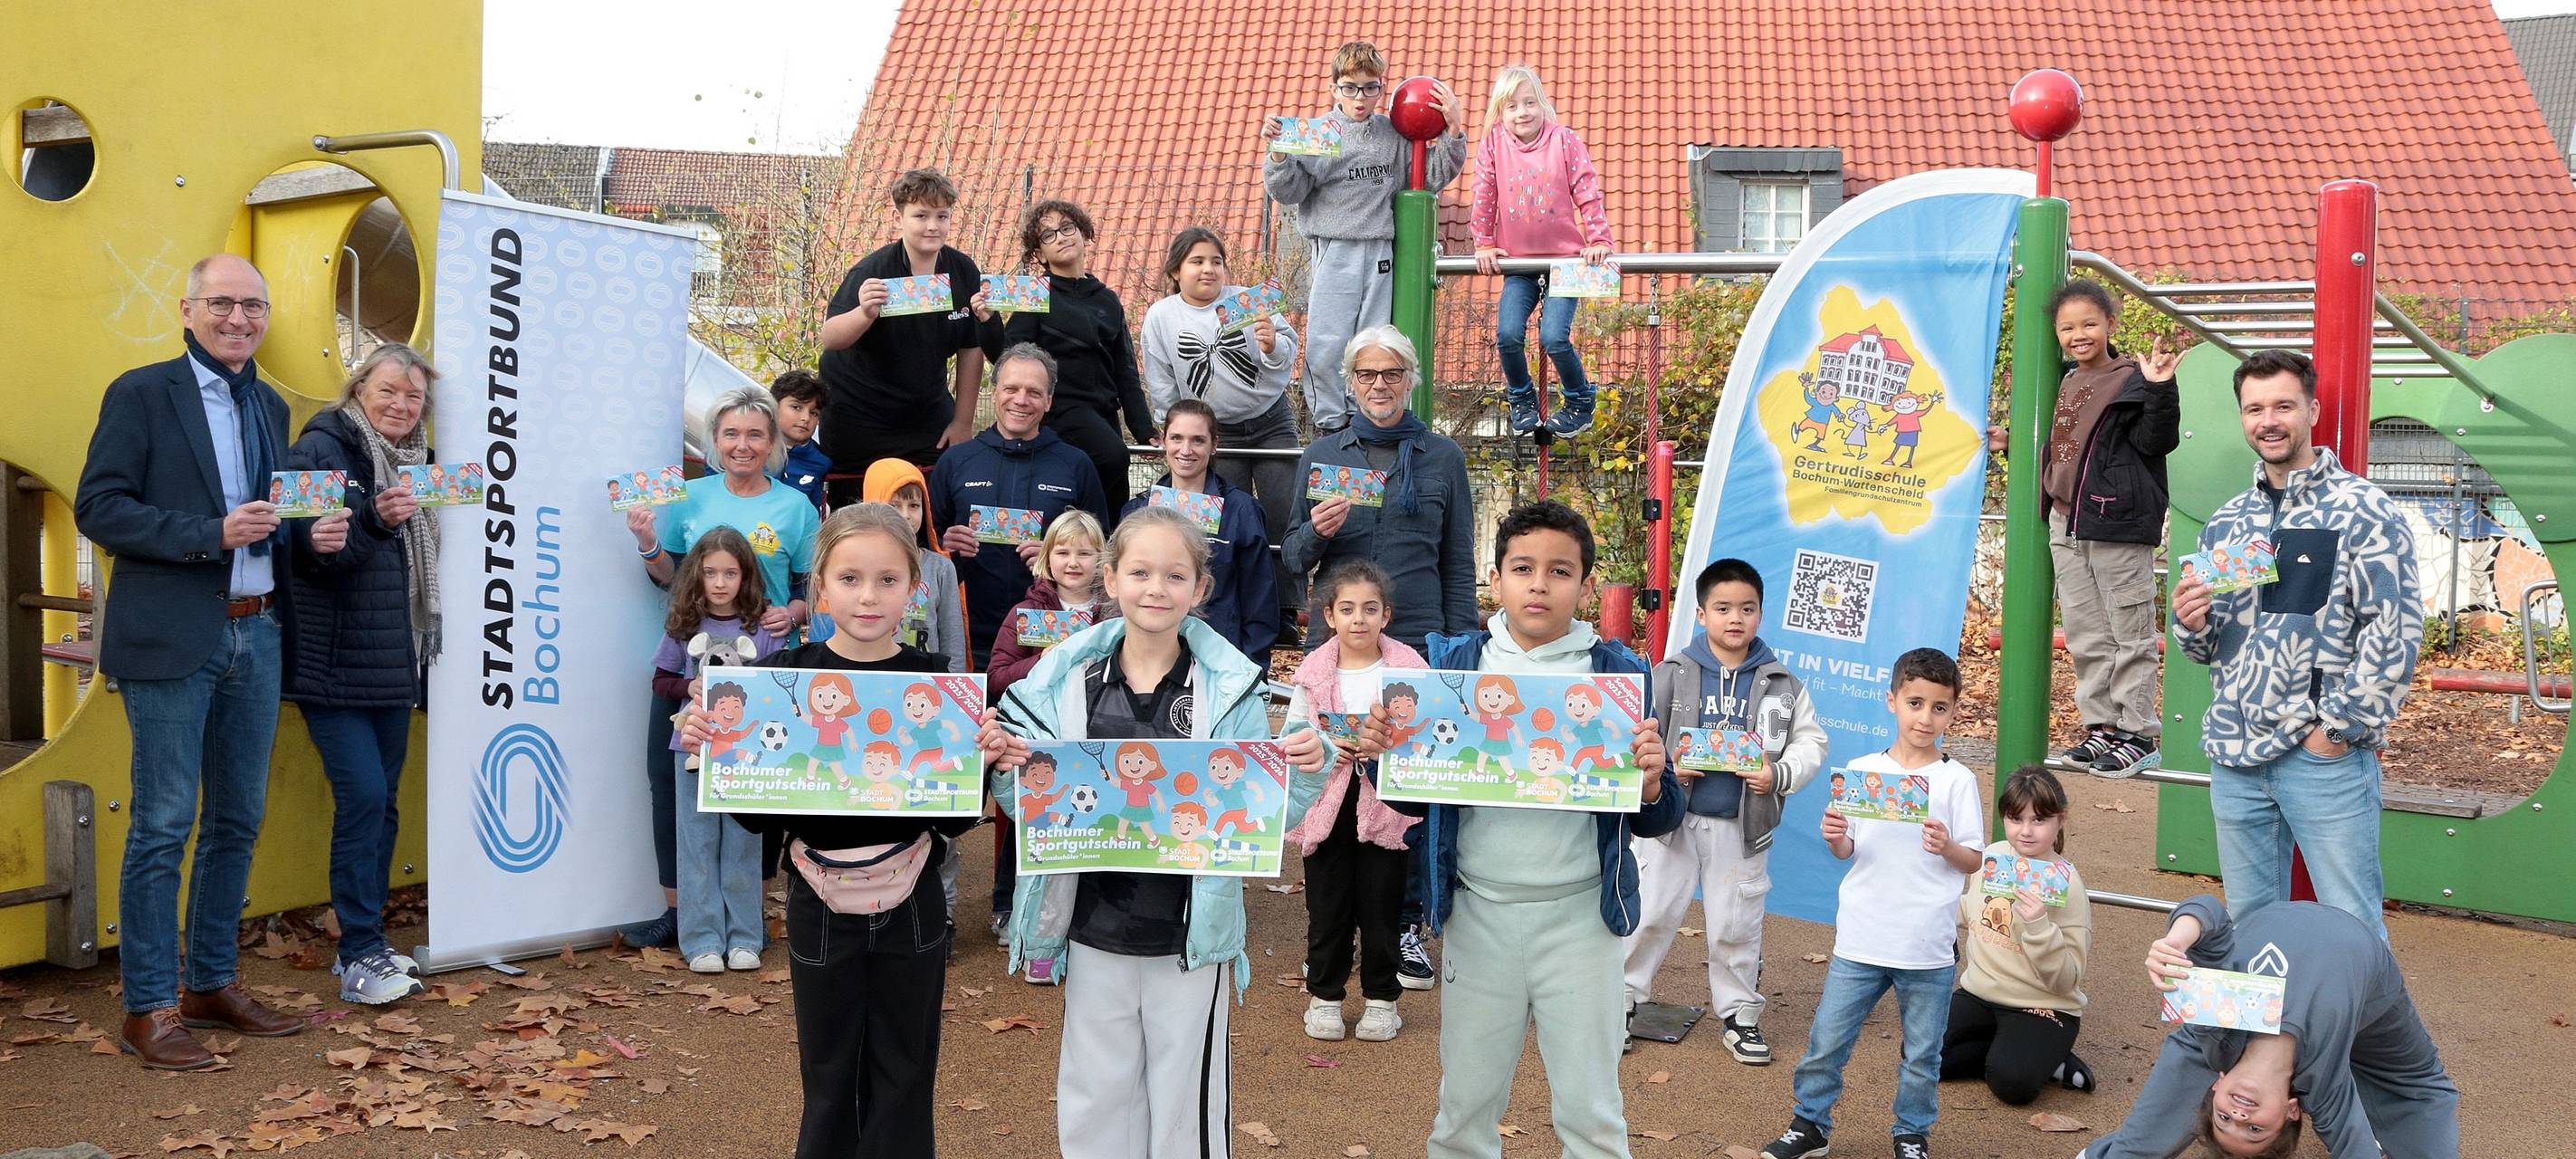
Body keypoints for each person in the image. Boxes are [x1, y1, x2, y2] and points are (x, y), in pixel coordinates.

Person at [979, 505, 1334, 1159]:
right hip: (1090, 924)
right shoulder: (1062, 684)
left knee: (1183, 1100)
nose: (1155, 588)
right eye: (1139, 572)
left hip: (1188, 934)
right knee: (1093, 1090)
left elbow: (1259, 817)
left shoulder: (1230, 692)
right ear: (1110, 578)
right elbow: (1032, 805)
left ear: (1200, 589)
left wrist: (1306, 774)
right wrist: (1005, 768)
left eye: (1175, 575)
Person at [74, 254, 351, 1068]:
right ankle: (150, 1007)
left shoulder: (266, 400)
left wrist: (317, 533)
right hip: (174, 637)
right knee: (162, 825)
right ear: (189, 311)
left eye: (254, 306)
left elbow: (276, 517)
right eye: (223, 304)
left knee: (238, 820)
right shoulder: (141, 393)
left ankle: (212, 983)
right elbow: (100, 508)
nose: (240, 319)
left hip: (257, 633)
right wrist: (209, 535)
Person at [1359, 500, 1680, 1159]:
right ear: (1495, 579)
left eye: (1560, 571)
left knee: (1591, 1113)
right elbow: (1419, 799)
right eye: (1523, 568)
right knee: (1464, 1108)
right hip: (1480, 915)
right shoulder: (1457, 664)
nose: (1539, 584)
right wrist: (1380, 758)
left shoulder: (1618, 675)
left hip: (1582, 921)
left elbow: (1659, 813)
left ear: (1586, 585)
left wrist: (1650, 782)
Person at [675, 505, 976, 1157]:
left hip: (914, 904)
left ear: (914, 588)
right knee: (828, 1072)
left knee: (905, 1073)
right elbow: (758, 817)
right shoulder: (780, 677)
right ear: (820, 586)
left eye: (887, 580)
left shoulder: (938, 682)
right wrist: (719, 748)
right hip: (817, 902)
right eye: (849, 578)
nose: (868, 596)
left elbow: (956, 819)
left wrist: (977, 755)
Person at [2171, 349, 2420, 939]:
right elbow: (2206, 647)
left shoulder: (2364, 511)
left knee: (2351, 924)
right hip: (2236, 755)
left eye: (2282, 404)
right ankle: (2269, 1036)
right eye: (2254, 408)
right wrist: (2191, 622)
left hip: (2319, 757)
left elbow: (2396, 631)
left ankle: (2358, 1037)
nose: (2268, 419)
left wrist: (2335, 730)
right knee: (2249, 924)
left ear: (2309, 409)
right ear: (2241, 419)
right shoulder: (2227, 522)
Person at [1282, 324, 1478, 991]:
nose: (1379, 385)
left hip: (1418, 648)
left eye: (1391, 373)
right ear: (1350, 381)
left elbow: (1457, 561)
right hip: (1337, 653)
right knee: (1332, 788)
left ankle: (1403, 927)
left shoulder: (1442, 457)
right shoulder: (1322, 454)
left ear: (1410, 379)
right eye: (1366, 374)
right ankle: (1328, 936)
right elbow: (1291, 558)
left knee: (1409, 798)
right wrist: (1315, 530)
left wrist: (1455, 655)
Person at [1763, 648, 1985, 1159]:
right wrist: (1835, 835)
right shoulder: (1862, 772)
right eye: (1915, 703)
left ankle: (1911, 1135)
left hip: (1927, 946)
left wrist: (1946, 845)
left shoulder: (1957, 780)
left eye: (1939, 707)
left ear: (1953, 711)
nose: (1926, 717)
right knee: (1827, 1042)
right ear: (1892, 702)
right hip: (1861, 938)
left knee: (1923, 1055)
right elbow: (1848, 851)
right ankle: (1809, 1124)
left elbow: (1972, 859)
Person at [622, 385, 820, 946]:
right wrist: (644, 541)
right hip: (691, 662)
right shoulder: (687, 496)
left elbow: (810, 585)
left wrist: (794, 612)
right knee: (671, 782)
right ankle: (680, 913)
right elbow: (670, 576)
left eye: (755, 434)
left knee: (757, 790)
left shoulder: (795, 506)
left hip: (766, 667)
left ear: (773, 442)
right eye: (731, 433)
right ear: (714, 441)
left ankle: (747, 913)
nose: (743, 444)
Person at [279, 343, 446, 1007]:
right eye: (388, 392)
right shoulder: (321, 448)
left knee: (384, 804)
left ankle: (368, 942)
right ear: (357, 390)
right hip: (333, 661)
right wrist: (373, 520)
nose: (400, 406)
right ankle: (357, 952)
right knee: (365, 799)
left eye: (412, 396)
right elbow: (305, 554)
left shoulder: (419, 461)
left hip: (392, 661)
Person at [1623, 557, 1825, 1065]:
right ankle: (1618, 1002)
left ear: (1760, 614)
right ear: (1700, 613)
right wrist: (1665, 768)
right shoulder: (1669, 674)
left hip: (1741, 823)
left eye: (1747, 608)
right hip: (1668, 820)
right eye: (1722, 608)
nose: (1735, 618)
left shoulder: (1782, 683)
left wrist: (1777, 774)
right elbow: (1633, 737)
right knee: (1648, 913)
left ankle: (1739, 1015)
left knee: (1736, 923)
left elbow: (1811, 742)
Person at [2080, 896, 2458, 1159]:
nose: (2240, 1117)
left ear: (2218, 1084)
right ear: (2293, 1110)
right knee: (2420, 1090)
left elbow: (2208, 911)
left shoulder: (2215, 1031)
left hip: (2270, 944)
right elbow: (2354, 1147)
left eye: (2224, 1118)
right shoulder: (2322, 1084)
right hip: (2371, 983)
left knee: (2186, 1060)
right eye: (2255, 1130)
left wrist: (2176, 940)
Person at [1260, 40, 1466, 431]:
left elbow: (1429, 178)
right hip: (1335, 250)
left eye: (1371, 87)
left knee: (1373, 338)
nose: (1361, 97)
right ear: (1335, 88)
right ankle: (1329, 422)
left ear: (1381, 90)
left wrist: (1453, 133)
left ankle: (1365, 417)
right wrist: (1278, 155)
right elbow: (1289, 192)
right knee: (1327, 342)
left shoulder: (1391, 135)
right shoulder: (1318, 134)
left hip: (1380, 251)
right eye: (1351, 87)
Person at [2042, 282, 2181, 775]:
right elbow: (2064, 444)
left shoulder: (2130, 379)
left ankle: (2138, 731)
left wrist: (2161, 387)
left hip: (2116, 522)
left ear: (2110, 326)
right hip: (2066, 521)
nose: (2079, 335)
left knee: (2129, 629)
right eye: (2068, 327)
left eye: (2089, 324)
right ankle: (2101, 727)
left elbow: (2155, 441)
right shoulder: (2060, 380)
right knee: (2085, 633)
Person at [1284, 560, 1425, 1043]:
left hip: (1387, 807)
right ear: (1329, 616)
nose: (1358, 619)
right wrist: (1326, 746)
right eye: (1347, 609)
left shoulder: (1409, 670)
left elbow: (1426, 736)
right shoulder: (1314, 674)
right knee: (1327, 908)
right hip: (1329, 804)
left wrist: (1386, 748)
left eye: (1369, 609)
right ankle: (1324, 998)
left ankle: (1382, 1000)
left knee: (1382, 908)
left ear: (1386, 616)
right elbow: (1294, 733)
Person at [1137, 226, 1302, 620]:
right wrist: (1174, 436)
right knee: (1224, 518)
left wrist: (1270, 345)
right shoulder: (1162, 316)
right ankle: (1221, 606)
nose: (1208, 270)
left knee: (1283, 510)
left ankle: (1286, 610)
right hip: (1214, 432)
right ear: (1176, 270)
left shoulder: (1247, 301)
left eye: (1216, 261)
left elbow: (1287, 352)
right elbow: (1161, 381)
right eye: (1197, 261)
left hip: (1269, 419)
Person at [816, 168, 1004, 493]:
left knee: (931, 511)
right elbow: (830, 337)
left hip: (926, 419)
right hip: (860, 419)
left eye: (942, 216)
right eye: (921, 215)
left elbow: (970, 348)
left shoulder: (962, 270)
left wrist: (962, 422)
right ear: (898, 217)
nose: (933, 226)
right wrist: (863, 314)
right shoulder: (872, 270)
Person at [653, 527, 788, 974]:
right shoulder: (684, 625)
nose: (720, 582)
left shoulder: (762, 629)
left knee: (742, 845)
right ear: (697, 574)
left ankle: (746, 936)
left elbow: (778, 690)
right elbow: (661, 681)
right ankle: (701, 939)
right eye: (710, 572)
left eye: (730, 572)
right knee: (697, 845)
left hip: (747, 756)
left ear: (745, 575)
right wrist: (687, 685)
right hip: (690, 748)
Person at [927, 343, 1111, 667]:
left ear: (1049, 401)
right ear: (993, 391)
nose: (1021, 400)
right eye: (1011, 388)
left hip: (1052, 642)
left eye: (1034, 392)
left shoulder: (1075, 465)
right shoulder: (957, 461)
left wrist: (1057, 554)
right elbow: (924, 546)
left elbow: (1103, 553)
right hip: (969, 637)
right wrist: (944, 545)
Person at [981, 506, 1106, 965]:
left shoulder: (1112, 613)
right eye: (1063, 552)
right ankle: (1012, 909)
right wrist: (1050, 658)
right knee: (1032, 821)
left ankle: (1086, 924)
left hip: (1097, 733)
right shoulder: (1027, 612)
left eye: (1086, 553)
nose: (1074, 562)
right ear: (1046, 558)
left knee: (1092, 824)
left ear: (1102, 560)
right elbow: (997, 676)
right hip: (1041, 735)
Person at [1470, 64, 1614, 438]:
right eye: (1513, 106)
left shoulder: (1563, 140)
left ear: (1543, 104)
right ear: (1500, 113)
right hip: (1520, 263)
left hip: (1565, 261)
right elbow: (1485, 196)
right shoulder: (1493, 144)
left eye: (1530, 103)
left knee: (1554, 337)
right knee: (1508, 333)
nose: (1523, 113)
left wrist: (1599, 240)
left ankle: (1580, 399)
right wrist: (1484, 242)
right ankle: (1521, 397)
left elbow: (1587, 191)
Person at [991, 197, 1154, 510]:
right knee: (1111, 457)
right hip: (1060, 413)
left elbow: (1125, 371)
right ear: (1038, 253)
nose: (1061, 236)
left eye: (1067, 227)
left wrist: (1144, 430)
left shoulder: (1107, 299)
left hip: (1104, 415)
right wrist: (987, 321)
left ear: (1083, 233)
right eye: (1049, 234)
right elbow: (1008, 355)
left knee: (1113, 497)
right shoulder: (1036, 296)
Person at [1945, 766, 2095, 1105]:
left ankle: (2046, 1056)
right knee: (1922, 1056)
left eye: (2039, 820)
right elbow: (1973, 909)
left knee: (2012, 1086)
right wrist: (1935, 909)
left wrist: (2040, 926)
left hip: (2043, 1004)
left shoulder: (2067, 883)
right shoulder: (1994, 856)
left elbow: (2066, 980)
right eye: (2015, 819)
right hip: (1980, 993)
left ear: (2061, 820)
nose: (2025, 832)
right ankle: (2017, 1050)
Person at [1119, 398, 1278, 672]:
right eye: (1177, 438)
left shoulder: (1241, 510)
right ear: (1163, 441)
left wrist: (1253, 669)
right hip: (1150, 659)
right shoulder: (1137, 511)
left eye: (1198, 440)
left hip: (1220, 658)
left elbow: (1260, 598)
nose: (1186, 450)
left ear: (1214, 445)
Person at [857, 457, 968, 673]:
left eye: (914, 505)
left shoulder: (941, 568)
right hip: (870, 680)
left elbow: (952, 640)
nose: (905, 516)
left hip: (927, 685)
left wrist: (954, 686)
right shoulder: (855, 565)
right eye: (893, 506)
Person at [771, 368, 831, 513]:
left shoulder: (820, 462)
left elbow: (813, 512)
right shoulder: (749, 446)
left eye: (814, 413)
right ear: (773, 406)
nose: (806, 418)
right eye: (796, 407)